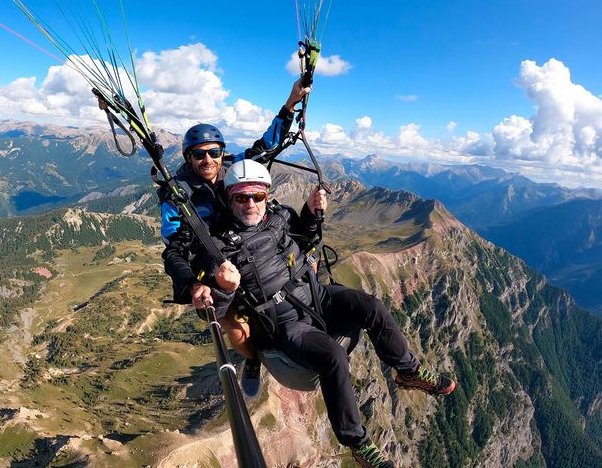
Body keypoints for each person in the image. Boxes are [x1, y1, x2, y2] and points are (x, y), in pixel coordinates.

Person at [195, 159, 456, 468]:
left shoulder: (278, 217)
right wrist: (225, 288)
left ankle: (408, 371)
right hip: (284, 323)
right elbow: (211, 312)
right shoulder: (217, 248)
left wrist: (310, 209)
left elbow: (304, 234)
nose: (250, 203)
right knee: (334, 356)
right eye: (241, 196)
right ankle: (357, 442)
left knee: (371, 306)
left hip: (316, 296)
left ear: (267, 195)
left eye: (257, 196)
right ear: (229, 198)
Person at [159, 79, 309, 399]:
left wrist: (290, 103)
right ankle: (252, 360)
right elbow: (174, 249)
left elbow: (266, 147)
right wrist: (191, 285)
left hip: (250, 246)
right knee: (239, 330)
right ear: (188, 158)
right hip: (216, 264)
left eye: (214, 152)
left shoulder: (234, 168)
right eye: (199, 155)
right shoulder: (179, 196)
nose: (208, 160)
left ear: (222, 152)